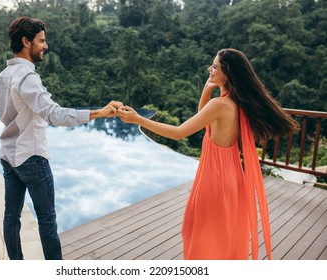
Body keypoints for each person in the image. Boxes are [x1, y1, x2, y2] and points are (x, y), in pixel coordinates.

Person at [118, 48, 299, 260]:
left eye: (214, 67)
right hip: (232, 178)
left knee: (201, 238)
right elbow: (205, 120)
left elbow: (179, 133)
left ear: (227, 74)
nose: (209, 69)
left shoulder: (220, 105)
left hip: (214, 181)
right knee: (221, 238)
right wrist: (207, 89)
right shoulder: (238, 103)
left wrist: (138, 119)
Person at [0, 16, 122, 260]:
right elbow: (54, 114)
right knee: (47, 219)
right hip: (31, 157)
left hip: (8, 157)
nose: (46, 46)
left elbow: (7, 116)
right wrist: (100, 112)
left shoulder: (2, 76)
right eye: (41, 41)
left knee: (11, 217)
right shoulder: (27, 78)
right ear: (25, 41)